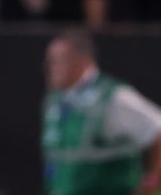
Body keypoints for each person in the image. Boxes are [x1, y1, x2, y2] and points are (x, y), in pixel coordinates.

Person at [42, 30, 161, 195]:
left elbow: (158, 129)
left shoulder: (113, 97)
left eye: (56, 61)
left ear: (79, 60)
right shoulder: (56, 100)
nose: (50, 68)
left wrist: (153, 181)